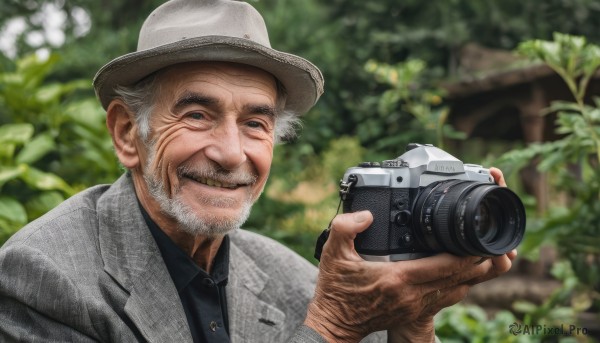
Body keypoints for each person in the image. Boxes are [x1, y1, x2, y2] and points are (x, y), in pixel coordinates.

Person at [0, 0, 517, 342]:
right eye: (197, 114)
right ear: (127, 134)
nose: (231, 153)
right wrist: (331, 328)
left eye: (255, 122)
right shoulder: (44, 277)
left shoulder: (291, 277)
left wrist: (414, 321)